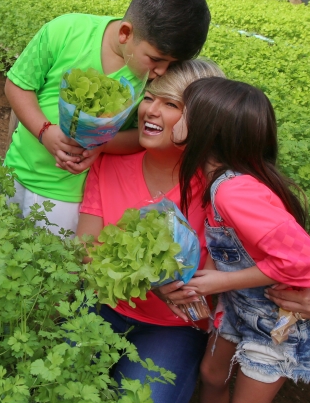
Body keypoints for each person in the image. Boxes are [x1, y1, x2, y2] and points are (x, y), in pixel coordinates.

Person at [5, 0, 211, 235]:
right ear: (125, 33)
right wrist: (44, 131)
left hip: (69, 194)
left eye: (172, 63)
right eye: (156, 59)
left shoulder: (154, 81)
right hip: (16, 168)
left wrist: (100, 145)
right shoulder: (66, 31)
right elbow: (18, 85)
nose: (161, 71)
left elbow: (141, 136)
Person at [77, 59, 225, 403]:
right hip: (104, 308)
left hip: (173, 328)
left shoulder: (218, 185)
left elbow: (278, 248)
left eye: (170, 104)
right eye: (149, 98)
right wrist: (150, 281)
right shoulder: (110, 163)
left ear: (203, 118)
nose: (150, 111)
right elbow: (86, 249)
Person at [175, 78, 310, 403]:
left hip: (275, 320)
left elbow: (302, 261)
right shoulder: (219, 182)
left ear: (206, 130)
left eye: (182, 111)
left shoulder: (234, 192)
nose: (175, 118)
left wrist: (222, 281)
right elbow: (228, 242)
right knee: (211, 374)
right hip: (239, 306)